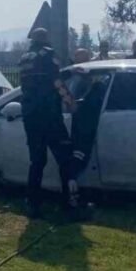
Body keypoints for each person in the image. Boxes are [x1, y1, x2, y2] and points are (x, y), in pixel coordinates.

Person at [18, 28, 82, 219]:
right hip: (50, 115)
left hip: (31, 117)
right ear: (45, 39)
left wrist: (68, 73)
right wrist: (70, 102)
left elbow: (39, 79)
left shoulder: (25, 59)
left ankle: (33, 204)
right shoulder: (48, 54)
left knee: (37, 161)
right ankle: (70, 204)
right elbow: (55, 81)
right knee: (65, 158)